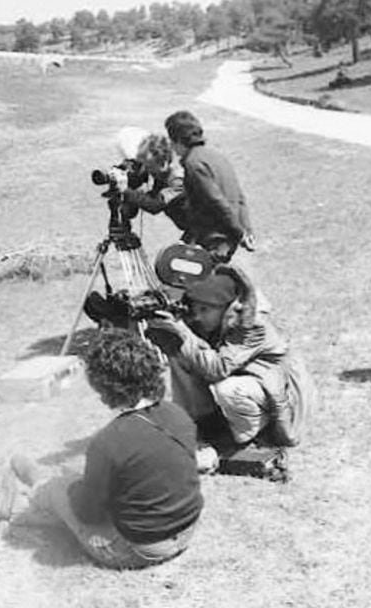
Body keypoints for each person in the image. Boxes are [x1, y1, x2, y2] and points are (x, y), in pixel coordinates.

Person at [0, 330, 203, 570]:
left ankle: (28, 497)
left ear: (104, 387)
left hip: (135, 550)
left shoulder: (110, 441)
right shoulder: (178, 415)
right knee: (78, 478)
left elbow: (88, 514)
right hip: (186, 531)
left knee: (58, 488)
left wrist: (74, 488)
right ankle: (33, 486)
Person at [145, 265, 314, 467]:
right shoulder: (218, 321)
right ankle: (202, 424)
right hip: (256, 389)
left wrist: (183, 332)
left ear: (227, 308)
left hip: (284, 399)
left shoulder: (253, 326)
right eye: (195, 309)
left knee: (227, 389)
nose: (197, 316)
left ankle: (248, 439)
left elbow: (217, 368)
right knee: (181, 355)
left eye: (205, 310)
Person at [164, 110, 255, 262]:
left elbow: (216, 201)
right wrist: (247, 230)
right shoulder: (217, 157)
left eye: (172, 141)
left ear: (179, 140)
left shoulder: (194, 163)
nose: (171, 146)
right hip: (227, 236)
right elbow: (239, 197)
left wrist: (240, 234)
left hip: (214, 238)